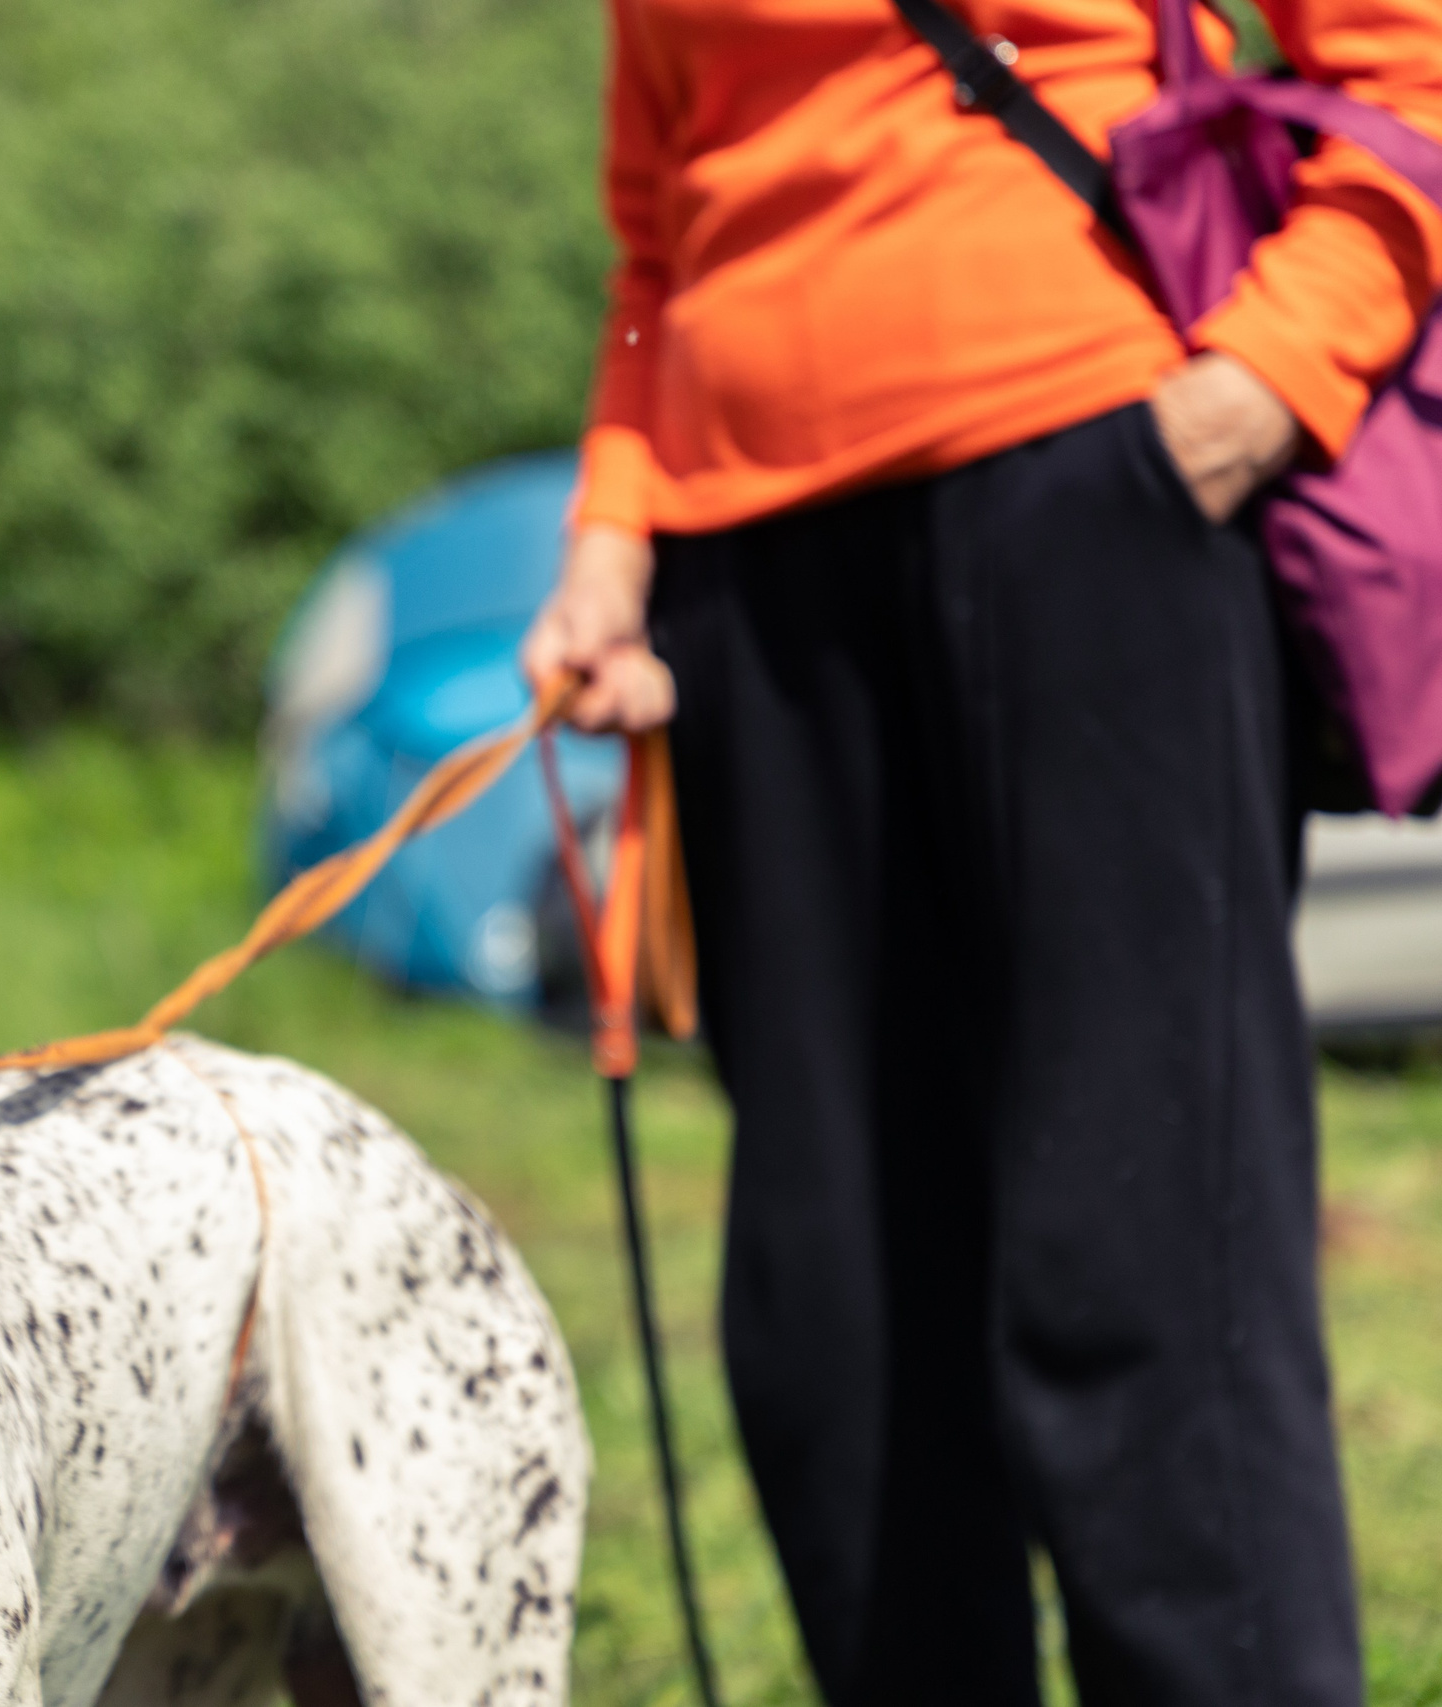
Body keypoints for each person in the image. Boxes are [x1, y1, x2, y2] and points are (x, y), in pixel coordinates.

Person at [520, 0, 1442, 1699]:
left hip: (1098, 486)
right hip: (751, 582)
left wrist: (1268, 382)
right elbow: (654, 250)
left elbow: (1412, 71)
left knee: (1140, 1257)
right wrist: (613, 527)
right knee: (835, 1306)